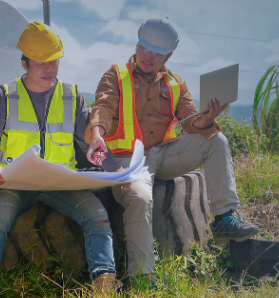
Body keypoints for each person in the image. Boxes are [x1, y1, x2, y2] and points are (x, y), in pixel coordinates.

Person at [85, 18, 258, 285]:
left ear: (169, 55)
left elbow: (191, 124)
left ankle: (225, 217)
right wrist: (97, 133)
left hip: (163, 156)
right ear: (137, 44)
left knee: (216, 140)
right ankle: (142, 277)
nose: (148, 56)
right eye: (144, 48)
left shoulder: (176, 83)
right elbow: (103, 107)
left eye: (156, 53)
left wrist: (209, 118)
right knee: (140, 199)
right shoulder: (116, 75)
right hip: (127, 159)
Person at [0, 22, 122, 298]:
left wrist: (114, 169)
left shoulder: (72, 96)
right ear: (24, 63)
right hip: (16, 182)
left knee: (97, 216)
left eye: (54, 62)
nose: (49, 69)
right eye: (41, 63)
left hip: (61, 183)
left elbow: (90, 144)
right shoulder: (5, 94)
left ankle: (105, 282)